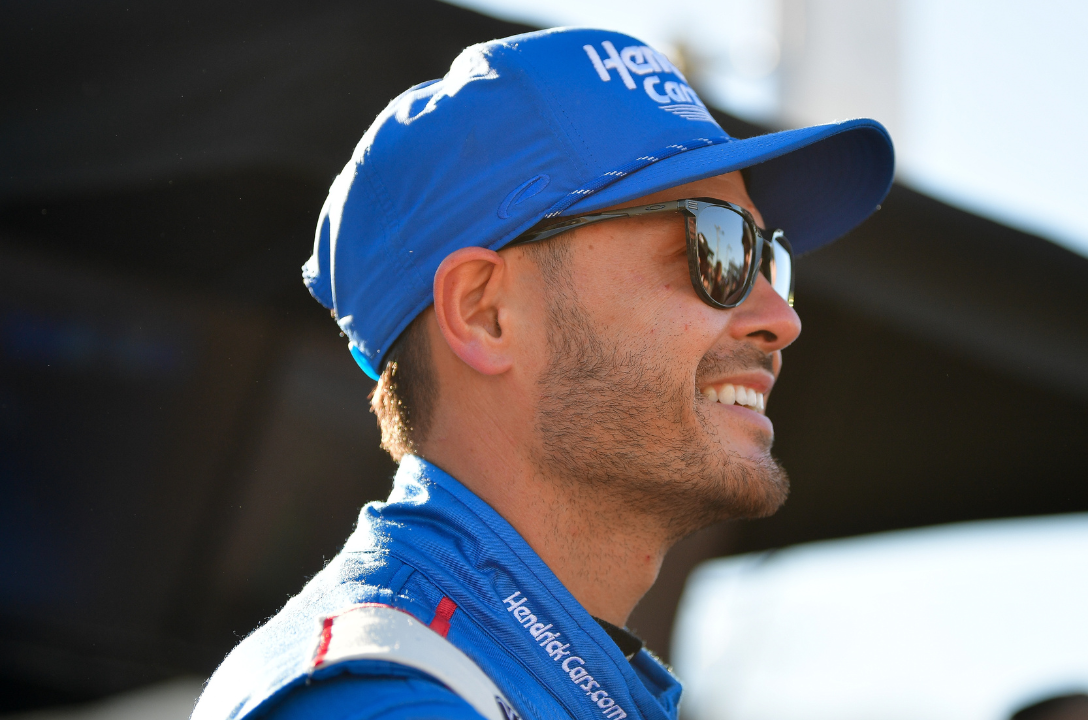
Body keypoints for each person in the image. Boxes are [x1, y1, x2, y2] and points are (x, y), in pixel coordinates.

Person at [193, 26, 892, 720]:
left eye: (770, 256)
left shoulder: (500, 675)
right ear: (486, 312)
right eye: (715, 245)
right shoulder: (388, 700)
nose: (781, 317)